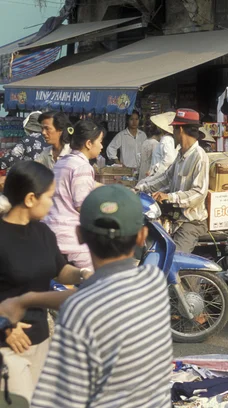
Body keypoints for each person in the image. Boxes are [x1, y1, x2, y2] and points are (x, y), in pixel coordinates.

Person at [29, 184, 173, 406]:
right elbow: (100, 301)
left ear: (79, 235)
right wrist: (27, 300)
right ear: (142, 236)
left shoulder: (80, 312)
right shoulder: (153, 282)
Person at [0, 161, 93, 403]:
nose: (52, 204)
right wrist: (3, 326)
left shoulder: (43, 233)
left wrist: (84, 275)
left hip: (41, 340)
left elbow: (60, 270)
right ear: (31, 198)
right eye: (50, 197)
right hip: (6, 348)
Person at [136, 108, 210, 253]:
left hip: (191, 222)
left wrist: (169, 197)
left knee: (175, 260)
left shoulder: (199, 156)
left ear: (180, 129)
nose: (172, 133)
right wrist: (141, 188)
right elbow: (165, 177)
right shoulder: (180, 154)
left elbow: (198, 193)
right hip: (175, 218)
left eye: (174, 129)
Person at [44, 120, 104, 269]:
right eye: (100, 141)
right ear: (89, 143)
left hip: (49, 230)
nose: (102, 146)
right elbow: (81, 205)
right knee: (99, 274)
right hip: (70, 237)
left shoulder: (63, 162)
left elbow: (77, 185)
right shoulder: (82, 166)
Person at [148, 111, 178, 177]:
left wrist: (155, 169)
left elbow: (169, 160)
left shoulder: (166, 139)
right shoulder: (172, 139)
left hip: (159, 176)